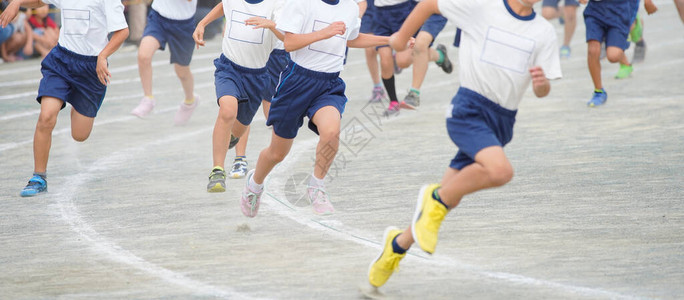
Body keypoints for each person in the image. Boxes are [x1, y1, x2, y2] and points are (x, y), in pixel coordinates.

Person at [364, 0, 561, 290]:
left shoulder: (543, 31)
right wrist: (399, 37)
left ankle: (396, 245)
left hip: (503, 122)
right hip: (469, 110)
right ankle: (435, 198)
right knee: (500, 171)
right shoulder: (482, 7)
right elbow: (429, 4)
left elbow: (543, 91)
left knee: (449, 199)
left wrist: (541, 83)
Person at [240, 0, 411, 217]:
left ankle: (316, 187)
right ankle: (254, 185)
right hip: (296, 82)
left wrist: (390, 40)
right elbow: (290, 43)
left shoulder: (349, 7)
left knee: (331, 132)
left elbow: (352, 38)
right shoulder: (302, 3)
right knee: (277, 153)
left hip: (328, 84)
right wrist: (325, 32)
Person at [0, 0, 129, 197]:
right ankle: (38, 177)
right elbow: (39, 1)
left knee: (79, 135)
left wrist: (103, 56)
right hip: (62, 61)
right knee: (46, 117)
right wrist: (16, 3)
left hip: (91, 69)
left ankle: (74, 99)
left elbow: (122, 32)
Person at [193, 0, 282, 193]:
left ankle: (230, 137)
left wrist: (273, 26)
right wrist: (202, 23)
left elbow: (289, 37)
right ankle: (217, 170)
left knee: (239, 130)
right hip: (229, 68)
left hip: (257, 77)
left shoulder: (277, 4)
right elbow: (223, 5)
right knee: (227, 110)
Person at [226, 5, 290, 180]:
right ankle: (240, 158)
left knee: (271, 112)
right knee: (244, 103)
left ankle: (272, 156)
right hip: (250, 46)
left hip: (278, 52)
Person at [131, 0, 200, 126]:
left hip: (184, 25)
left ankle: (190, 101)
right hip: (159, 18)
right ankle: (148, 99)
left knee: (182, 72)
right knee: (143, 56)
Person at [581, 0, 655, 107]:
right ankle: (599, 91)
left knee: (613, 56)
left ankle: (632, 25)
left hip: (619, 10)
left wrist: (648, 2)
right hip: (595, 10)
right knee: (593, 50)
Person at [396, 14, 453, 107]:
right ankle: (440, 55)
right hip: (412, 8)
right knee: (403, 61)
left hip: (435, 9)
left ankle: (414, 94)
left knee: (420, 44)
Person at [373, 0, 416, 114]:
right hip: (380, 13)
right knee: (385, 62)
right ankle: (393, 102)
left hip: (404, 10)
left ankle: (432, 54)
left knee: (403, 62)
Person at [360, 0, 387, 103]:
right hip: (367, 6)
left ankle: (393, 54)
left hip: (386, 6)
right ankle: (378, 87)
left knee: (386, 46)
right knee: (369, 49)